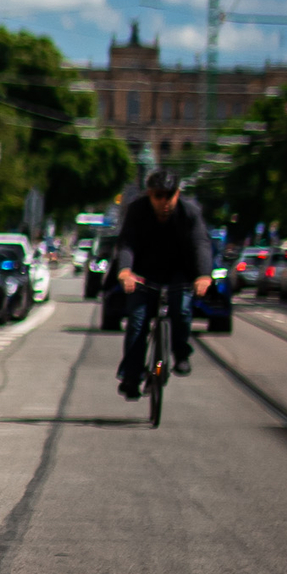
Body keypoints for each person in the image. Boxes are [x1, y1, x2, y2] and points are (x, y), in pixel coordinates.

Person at [114, 168, 214, 401]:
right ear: (149, 194)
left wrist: (203, 275)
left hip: (180, 272)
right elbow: (126, 242)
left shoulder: (189, 212)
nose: (164, 201)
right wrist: (125, 271)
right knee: (137, 322)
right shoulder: (137, 210)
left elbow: (201, 242)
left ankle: (181, 354)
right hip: (144, 273)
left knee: (182, 308)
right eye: (158, 196)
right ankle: (131, 376)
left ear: (177, 193)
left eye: (169, 195)